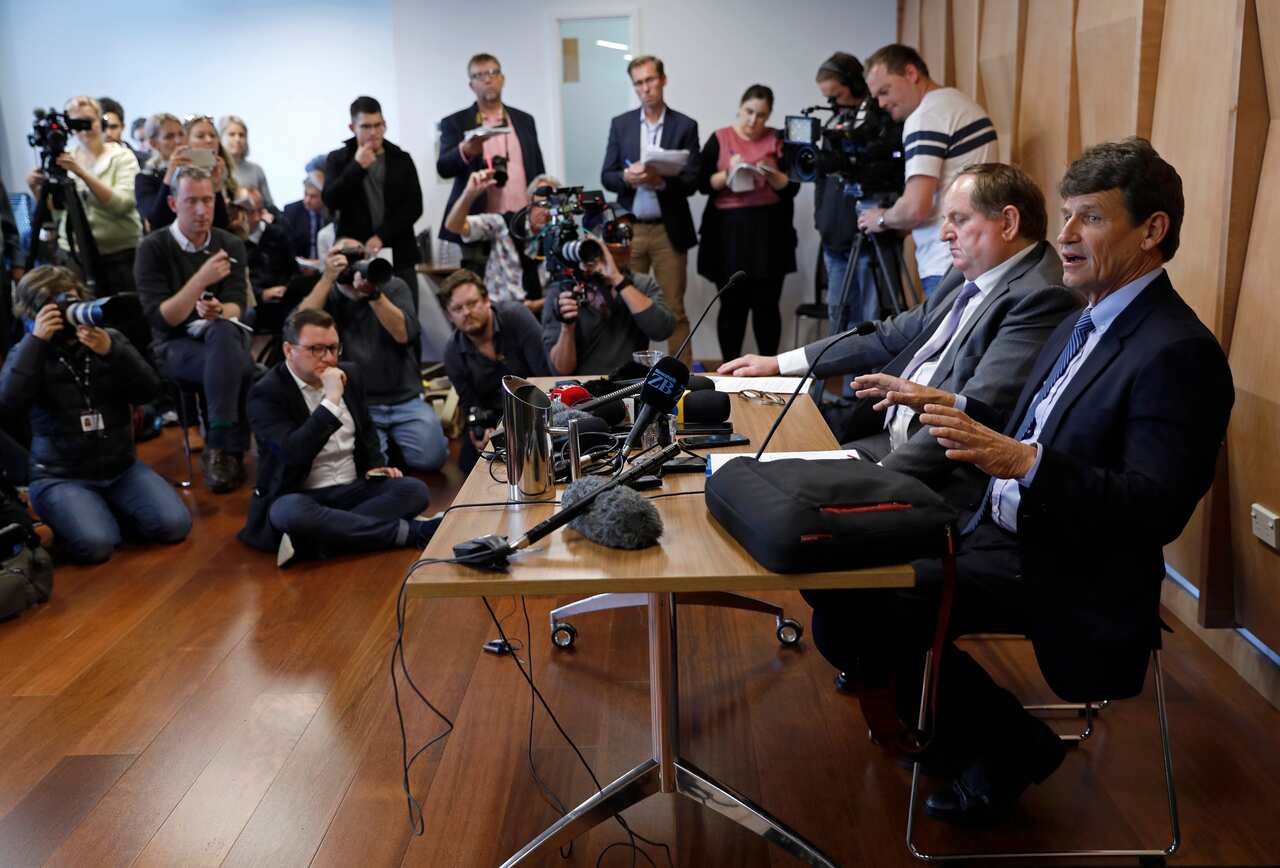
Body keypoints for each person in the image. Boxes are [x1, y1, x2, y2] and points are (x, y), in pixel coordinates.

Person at [803, 138, 1234, 824]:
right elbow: (1016, 422)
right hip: (990, 524)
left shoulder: (1179, 352)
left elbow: (1155, 508)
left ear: (1152, 231)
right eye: (1064, 216)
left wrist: (1024, 464)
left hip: (1070, 564)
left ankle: (1008, 747)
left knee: (867, 602)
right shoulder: (1084, 315)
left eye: (1089, 219)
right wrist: (937, 404)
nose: (1063, 237)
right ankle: (964, 727)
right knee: (828, 561)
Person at [720, 163, 1080, 507]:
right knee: (746, 462)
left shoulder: (1039, 297)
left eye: (959, 219)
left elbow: (969, 421)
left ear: (1009, 222)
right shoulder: (966, 273)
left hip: (937, 478)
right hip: (884, 441)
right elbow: (887, 335)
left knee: (773, 501)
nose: (943, 234)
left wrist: (870, 484)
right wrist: (780, 363)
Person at [0, 266, 191, 563]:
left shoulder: (107, 339)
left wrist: (114, 352)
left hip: (121, 468)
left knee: (175, 525)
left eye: (74, 300)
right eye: (60, 305)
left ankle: (104, 509)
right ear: (36, 312)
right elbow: (8, 404)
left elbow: (149, 391)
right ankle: (89, 513)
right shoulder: (27, 351)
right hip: (61, 476)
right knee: (97, 545)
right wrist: (36, 342)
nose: (70, 311)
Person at [239, 307, 437, 564]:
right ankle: (411, 533)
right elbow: (293, 453)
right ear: (289, 350)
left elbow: (366, 431)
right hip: (301, 494)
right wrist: (331, 402)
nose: (329, 358)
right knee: (289, 512)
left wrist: (377, 467)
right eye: (316, 349)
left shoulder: (350, 374)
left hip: (350, 488)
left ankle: (315, 541)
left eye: (333, 348)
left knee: (415, 490)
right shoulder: (266, 393)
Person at [134, 166, 255, 492]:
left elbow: (235, 306)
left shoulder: (230, 243)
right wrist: (201, 279)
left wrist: (218, 311)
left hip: (221, 338)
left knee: (225, 332)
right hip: (174, 345)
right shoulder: (153, 247)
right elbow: (163, 319)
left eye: (208, 200)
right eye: (191, 202)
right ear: (173, 204)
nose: (202, 210)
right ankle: (228, 448)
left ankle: (219, 445)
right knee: (244, 367)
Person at [858, 44, 999, 299]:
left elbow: (915, 208)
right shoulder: (961, 103)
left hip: (945, 261)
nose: (881, 103)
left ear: (911, 73)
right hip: (982, 256)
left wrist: (879, 219)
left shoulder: (925, 116)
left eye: (885, 91)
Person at [296, 240, 448, 472]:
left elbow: (405, 334)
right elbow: (297, 326)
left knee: (432, 458)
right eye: (344, 257)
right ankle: (390, 447)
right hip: (357, 403)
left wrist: (373, 294)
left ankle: (393, 444)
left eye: (357, 256)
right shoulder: (327, 293)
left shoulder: (392, 285)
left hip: (403, 397)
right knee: (367, 467)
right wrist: (327, 278)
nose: (353, 265)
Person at [601, 55, 700, 365]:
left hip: (668, 229)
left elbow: (693, 180)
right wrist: (626, 178)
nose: (646, 88)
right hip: (630, 230)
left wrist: (661, 181)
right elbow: (606, 175)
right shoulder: (622, 124)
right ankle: (632, 379)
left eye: (650, 80)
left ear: (663, 80)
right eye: (639, 83)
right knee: (630, 303)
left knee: (673, 308)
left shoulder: (684, 125)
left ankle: (682, 382)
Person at [696, 84, 798, 359]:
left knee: (767, 306)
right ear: (740, 108)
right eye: (749, 112)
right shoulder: (720, 137)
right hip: (727, 234)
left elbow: (793, 187)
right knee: (731, 306)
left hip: (769, 234)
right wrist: (729, 172)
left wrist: (774, 175)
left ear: (769, 116)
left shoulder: (779, 139)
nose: (754, 120)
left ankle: (769, 370)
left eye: (761, 115)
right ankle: (729, 368)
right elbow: (701, 183)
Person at [26, 95, 141, 296]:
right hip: (75, 254)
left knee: (126, 316)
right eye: (77, 124)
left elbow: (122, 204)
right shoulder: (65, 157)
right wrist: (36, 188)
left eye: (88, 121)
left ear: (101, 121)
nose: (85, 129)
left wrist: (82, 173)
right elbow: (56, 213)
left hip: (118, 254)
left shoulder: (122, 156)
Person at [439, 268, 552, 471]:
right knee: (469, 462)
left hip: (537, 406)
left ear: (487, 300)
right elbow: (470, 405)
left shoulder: (516, 317)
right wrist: (481, 431)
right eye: (457, 308)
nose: (466, 312)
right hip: (495, 417)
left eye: (472, 303)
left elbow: (545, 374)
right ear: (449, 315)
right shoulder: (452, 352)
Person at [437, 53, 546, 254]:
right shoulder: (455, 122)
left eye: (493, 73)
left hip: (523, 223)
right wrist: (465, 151)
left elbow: (538, 170)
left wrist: (541, 203)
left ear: (502, 79)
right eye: (479, 75)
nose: (488, 79)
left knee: (529, 282)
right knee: (479, 283)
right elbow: (443, 168)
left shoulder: (524, 120)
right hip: (478, 224)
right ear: (471, 85)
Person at [323, 96, 423, 294]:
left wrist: (381, 236)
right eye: (366, 126)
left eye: (379, 125)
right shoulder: (338, 159)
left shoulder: (401, 158)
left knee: (405, 318)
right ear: (352, 128)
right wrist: (356, 167)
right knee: (361, 320)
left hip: (399, 253)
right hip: (355, 256)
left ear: (385, 124)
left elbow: (414, 207)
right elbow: (330, 200)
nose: (374, 132)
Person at [811, 53, 882, 330]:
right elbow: (821, 175)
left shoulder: (878, 120)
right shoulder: (835, 123)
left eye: (837, 95)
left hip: (867, 239)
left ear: (853, 83)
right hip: (833, 237)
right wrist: (820, 219)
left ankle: (865, 375)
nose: (833, 103)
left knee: (866, 323)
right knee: (838, 320)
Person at [542, 237, 674, 375]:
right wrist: (567, 328)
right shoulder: (563, 291)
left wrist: (617, 279)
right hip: (585, 388)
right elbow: (560, 371)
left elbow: (662, 330)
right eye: (609, 246)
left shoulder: (641, 284)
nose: (622, 247)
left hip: (629, 384)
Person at [443, 168, 560, 313]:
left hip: (539, 313)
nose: (547, 212)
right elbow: (453, 226)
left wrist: (540, 304)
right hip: (498, 312)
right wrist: (468, 195)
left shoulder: (558, 238)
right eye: (543, 204)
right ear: (530, 202)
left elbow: (564, 289)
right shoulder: (503, 224)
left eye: (553, 205)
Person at [134, 113, 231, 233]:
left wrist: (216, 186)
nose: (178, 140)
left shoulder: (198, 174)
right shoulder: (145, 178)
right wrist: (170, 174)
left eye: (181, 134)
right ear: (154, 144)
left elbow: (221, 225)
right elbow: (156, 223)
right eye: (169, 137)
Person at [219, 115, 276, 211]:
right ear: (220, 138)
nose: (237, 139)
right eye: (232, 134)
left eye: (241, 135)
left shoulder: (256, 170)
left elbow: (269, 205)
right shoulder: (216, 169)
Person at [280, 172, 330, 263]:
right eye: (305, 194)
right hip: (301, 268)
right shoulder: (292, 211)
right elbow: (287, 245)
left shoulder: (332, 212)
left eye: (313, 196)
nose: (307, 200)